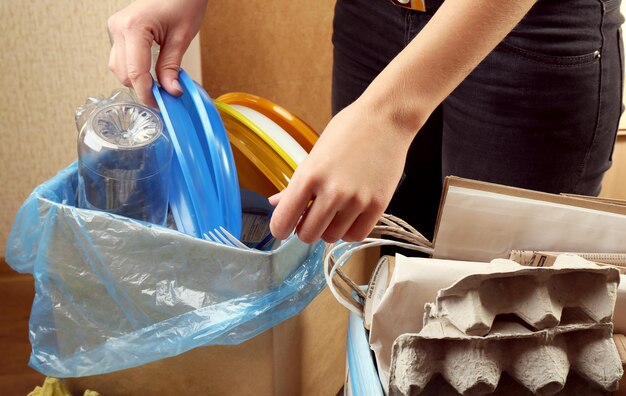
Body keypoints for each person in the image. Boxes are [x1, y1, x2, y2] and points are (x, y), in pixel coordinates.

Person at [108, 0, 624, 245]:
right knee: (374, 273)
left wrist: (390, 114)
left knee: (499, 316)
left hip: (524, 26)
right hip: (372, 15)